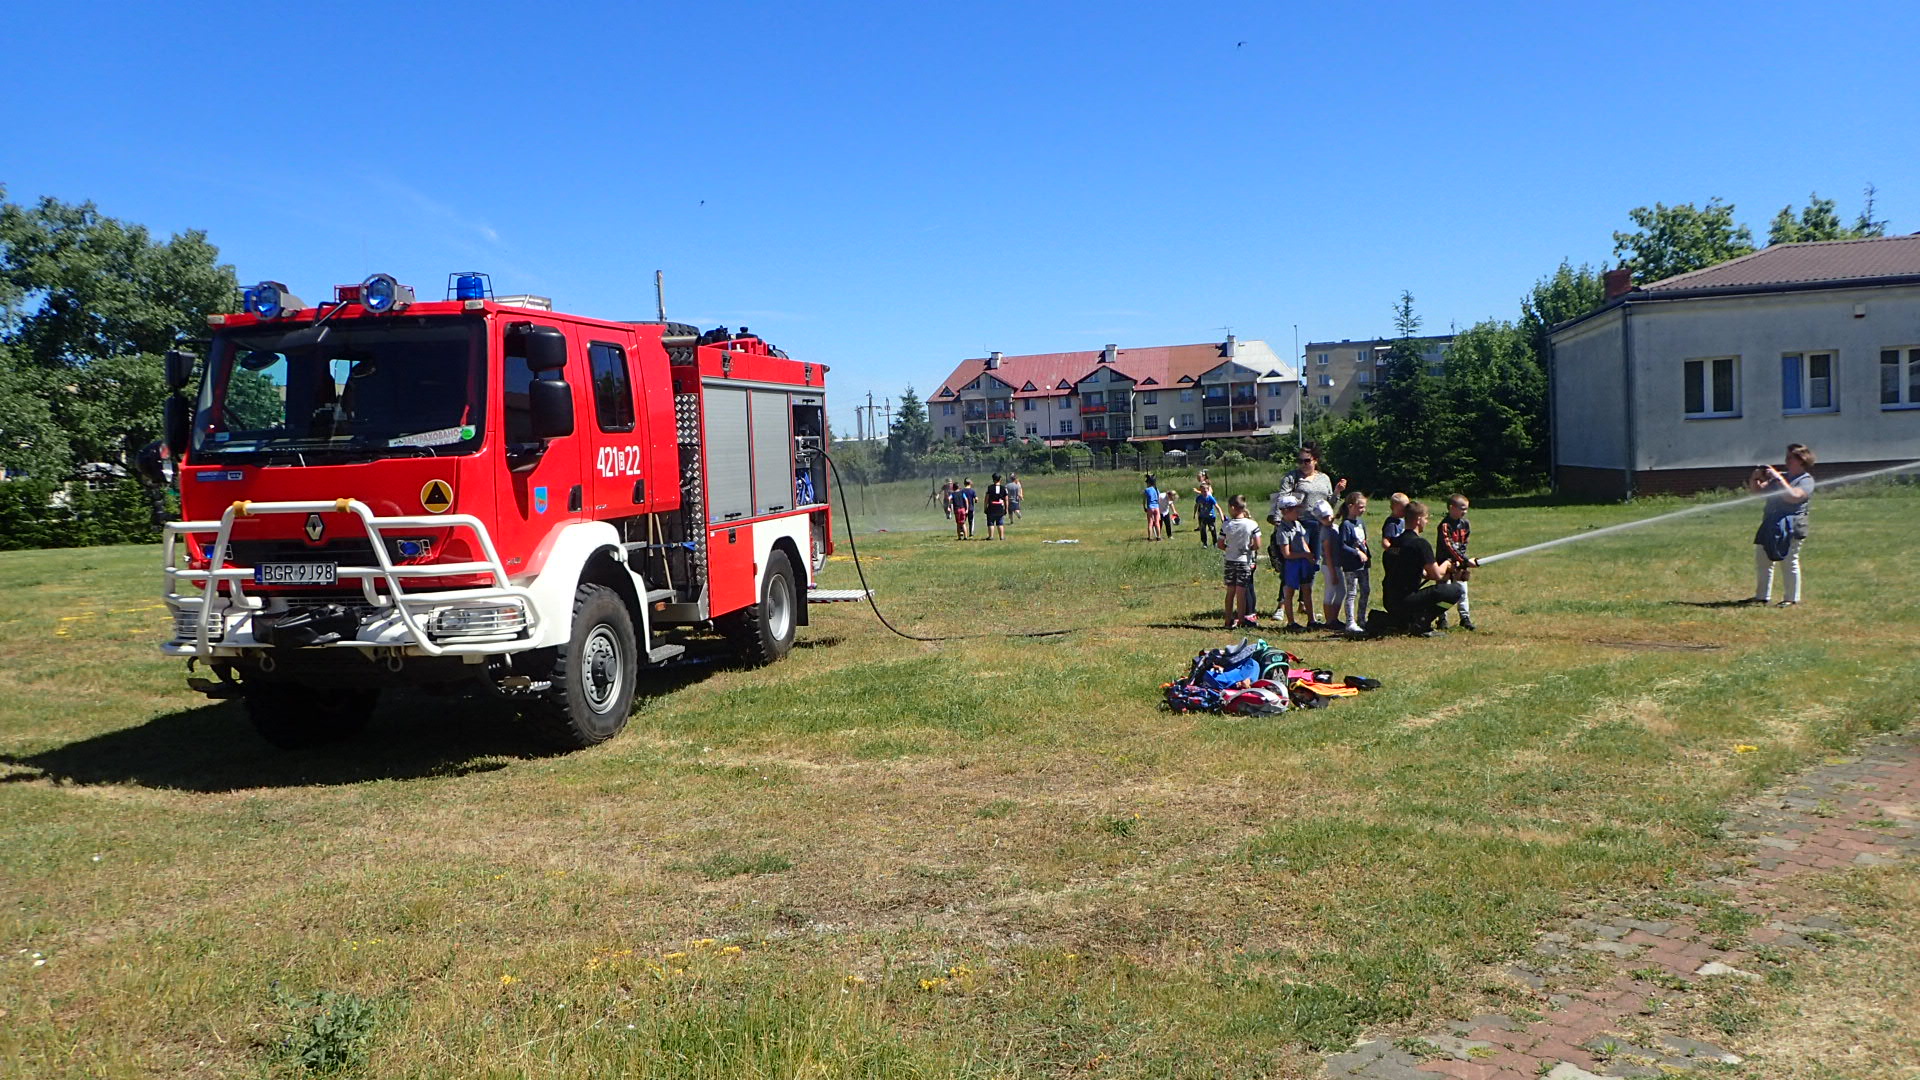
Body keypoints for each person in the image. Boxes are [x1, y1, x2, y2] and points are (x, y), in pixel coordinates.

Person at [1383, 500, 1467, 635]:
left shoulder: (1395, 543)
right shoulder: (1420, 544)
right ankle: (1422, 622)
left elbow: (1416, 572)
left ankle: (1408, 621)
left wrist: (1450, 573)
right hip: (1407, 601)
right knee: (1456, 591)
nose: (1427, 522)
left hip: (1390, 601)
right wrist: (1447, 564)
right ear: (1418, 520)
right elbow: (1436, 575)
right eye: (1426, 518)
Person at [1746, 443, 1816, 607]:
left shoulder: (1806, 480)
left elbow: (1793, 497)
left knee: (1789, 560)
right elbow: (1757, 492)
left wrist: (1778, 478)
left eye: (1791, 457)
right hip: (1770, 523)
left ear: (1801, 460)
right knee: (1763, 560)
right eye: (1787, 457)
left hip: (1792, 525)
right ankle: (1762, 596)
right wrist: (1755, 478)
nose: (1786, 460)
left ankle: (1791, 598)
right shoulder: (1782, 477)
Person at [1269, 444, 1346, 524]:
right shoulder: (1292, 477)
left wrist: (1337, 491)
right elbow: (1282, 499)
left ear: (1315, 460)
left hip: (1321, 524)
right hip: (1300, 524)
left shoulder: (1324, 478)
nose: (1303, 464)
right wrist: (1278, 521)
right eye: (1300, 461)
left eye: (1307, 461)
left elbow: (1330, 506)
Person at [1270, 494, 1314, 630]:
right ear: (1285, 511)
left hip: (1303, 562)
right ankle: (1291, 622)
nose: (1298, 512)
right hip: (1291, 565)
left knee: (1307, 590)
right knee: (1289, 593)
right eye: (1295, 509)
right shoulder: (1282, 530)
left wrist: (1309, 555)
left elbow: (1303, 541)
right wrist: (1305, 554)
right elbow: (1287, 554)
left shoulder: (1297, 524)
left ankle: (1311, 620)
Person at [1433, 493, 1477, 631]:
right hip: (1444, 564)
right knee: (1443, 592)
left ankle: (1465, 618)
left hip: (1459, 564)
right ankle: (1442, 618)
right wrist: (1464, 560)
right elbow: (1449, 545)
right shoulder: (1445, 525)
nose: (1465, 512)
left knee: (1462, 591)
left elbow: (1464, 544)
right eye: (1462, 508)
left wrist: (1462, 561)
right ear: (1452, 508)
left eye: (1466, 509)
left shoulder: (1465, 524)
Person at [1217, 494, 1261, 629]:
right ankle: (1241, 619)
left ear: (1232, 507)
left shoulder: (1227, 525)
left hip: (1230, 560)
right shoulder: (1252, 524)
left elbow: (1220, 544)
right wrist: (1249, 549)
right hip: (1244, 561)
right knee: (1241, 592)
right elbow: (1257, 544)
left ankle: (1227, 620)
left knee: (1230, 591)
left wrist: (1229, 549)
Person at [1336, 491, 1372, 634]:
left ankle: (1361, 619)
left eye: (1364, 507)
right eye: (1360, 507)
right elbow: (1342, 545)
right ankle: (1350, 622)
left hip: (1363, 564)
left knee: (1365, 591)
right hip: (1351, 565)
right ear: (1350, 506)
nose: (1363, 510)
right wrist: (1357, 552)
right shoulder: (1345, 525)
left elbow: (1363, 541)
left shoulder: (1360, 522)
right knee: (1352, 592)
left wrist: (1366, 554)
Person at [1313, 499, 1342, 631]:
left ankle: (1334, 618)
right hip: (1329, 565)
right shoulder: (1325, 531)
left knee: (1341, 592)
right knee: (1330, 591)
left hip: (1336, 564)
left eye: (1329, 516)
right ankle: (1329, 620)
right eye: (1324, 518)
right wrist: (1333, 573)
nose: (1328, 519)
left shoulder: (1334, 527)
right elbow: (1328, 554)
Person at [984, 473, 1010, 540]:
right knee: (1000, 522)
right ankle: (1001, 537)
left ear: (993, 479)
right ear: (1000, 479)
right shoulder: (1004, 488)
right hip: (1000, 507)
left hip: (991, 507)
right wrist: (1006, 509)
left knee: (991, 522)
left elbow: (986, 499)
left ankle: (991, 536)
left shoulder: (989, 488)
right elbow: (1006, 500)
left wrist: (985, 507)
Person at [1194, 482, 1220, 546]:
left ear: (1208, 490)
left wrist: (1221, 515)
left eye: (1205, 491)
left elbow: (1217, 507)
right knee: (1203, 530)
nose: (1204, 493)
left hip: (1210, 517)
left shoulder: (1210, 498)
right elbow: (1196, 505)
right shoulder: (1199, 498)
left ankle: (1215, 542)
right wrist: (1194, 513)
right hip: (1202, 516)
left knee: (1212, 529)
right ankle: (1204, 543)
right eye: (1202, 491)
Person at [1143, 474, 1162, 541]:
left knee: (1150, 523)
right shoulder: (1156, 489)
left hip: (1150, 507)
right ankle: (1158, 537)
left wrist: (1144, 507)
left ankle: (1150, 537)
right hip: (1156, 507)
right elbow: (1159, 499)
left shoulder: (1147, 490)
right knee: (1157, 522)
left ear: (1148, 483)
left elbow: (1144, 500)